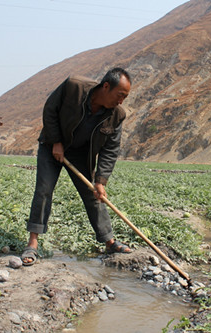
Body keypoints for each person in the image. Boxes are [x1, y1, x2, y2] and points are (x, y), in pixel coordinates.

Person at [22, 68, 133, 265]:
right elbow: (50, 110)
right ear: (106, 86)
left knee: (93, 194)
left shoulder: (117, 115)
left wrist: (101, 181)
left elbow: (110, 149)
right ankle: (33, 244)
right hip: (52, 146)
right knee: (44, 190)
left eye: (125, 97)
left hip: (81, 154)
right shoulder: (73, 87)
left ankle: (110, 242)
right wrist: (56, 142)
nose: (121, 101)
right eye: (120, 95)